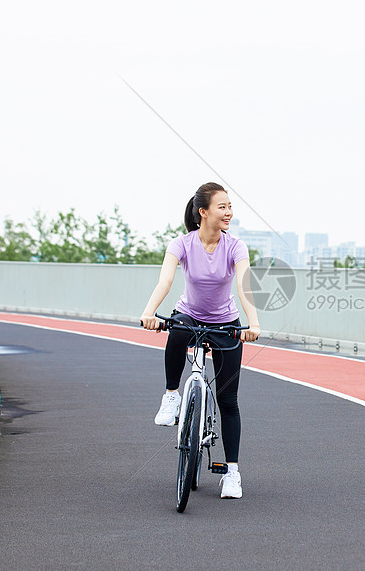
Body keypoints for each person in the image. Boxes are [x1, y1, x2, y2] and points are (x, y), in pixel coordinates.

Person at [140, 182, 260, 500]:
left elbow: (244, 287)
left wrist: (254, 323)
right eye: (222, 207)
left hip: (225, 322)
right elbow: (165, 280)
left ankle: (232, 474)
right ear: (203, 212)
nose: (229, 212)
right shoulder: (181, 244)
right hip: (190, 314)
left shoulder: (235, 246)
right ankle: (171, 395)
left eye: (230, 206)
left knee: (228, 400)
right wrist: (149, 312)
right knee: (177, 329)